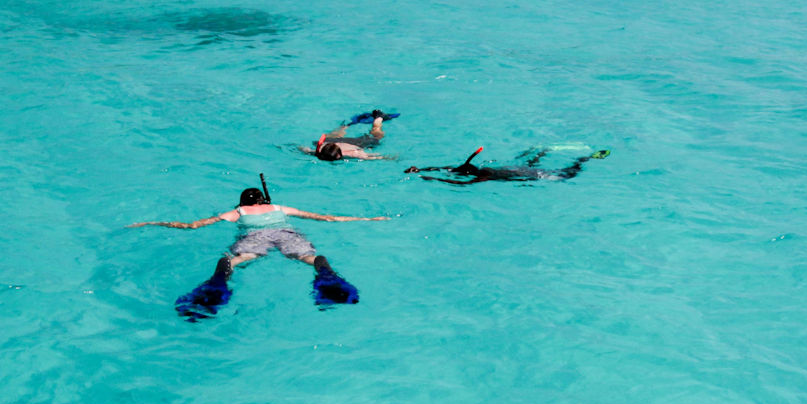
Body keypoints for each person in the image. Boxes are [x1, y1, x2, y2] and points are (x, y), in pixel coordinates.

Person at [130, 185, 388, 319]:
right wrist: (368, 219)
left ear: (243, 202)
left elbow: (192, 225)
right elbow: (327, 218)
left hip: (255, 238)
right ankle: (326, 273)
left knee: (234, 260)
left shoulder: (238, 211)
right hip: (287, 234)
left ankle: (216, 284)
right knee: (310, 258)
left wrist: (153, 222)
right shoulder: (279, 208)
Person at [405, 146, 609, 185]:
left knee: (568, 175)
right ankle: (542, 151)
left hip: (535, 175)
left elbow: (459, 183)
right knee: (529, 162)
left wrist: (429, 177)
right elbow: (447, 168)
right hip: (518, 170)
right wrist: (420, 169)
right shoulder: (480, 170)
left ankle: (588, 158)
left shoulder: (484, 176)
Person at [302, 110, 395, 161]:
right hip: (329, 141)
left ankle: (379, 117)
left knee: (377, 136)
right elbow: (304, 149)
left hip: (354, 144)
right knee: (335, 135)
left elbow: (371, 157)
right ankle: (346, 126)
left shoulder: (352, 153)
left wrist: (388, 158)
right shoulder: (319, 152)